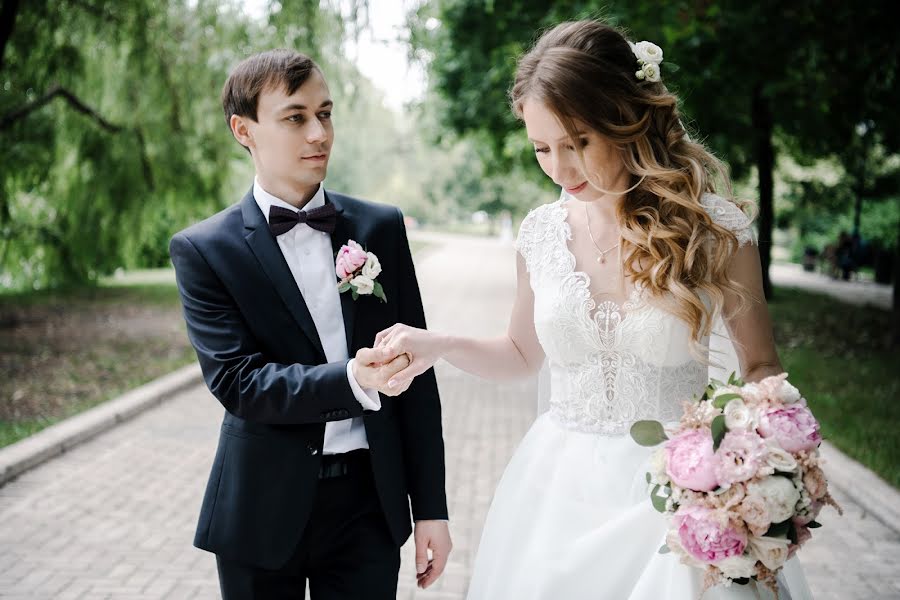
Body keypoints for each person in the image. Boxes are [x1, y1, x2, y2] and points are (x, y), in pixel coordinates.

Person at [374, 20, 814, 599]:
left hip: (676, 497)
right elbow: (521, 353)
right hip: (556, 494)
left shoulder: (714, 231)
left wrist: (753, 464)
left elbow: (761, 369)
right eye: (542, 148)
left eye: (578, 142)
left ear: (624, 120)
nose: (559, 167)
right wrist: (438, 346)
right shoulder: (541, 233)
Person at [168, 49, 451, 599]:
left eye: (326, 113)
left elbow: (420, 379)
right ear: (243, 130)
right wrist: (353, 379)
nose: (319, 132)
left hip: (369, 505)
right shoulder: (204, 250)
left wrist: (431, 510)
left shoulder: (380, 226)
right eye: (295, 117)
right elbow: (238, 382)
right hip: (260, 508)